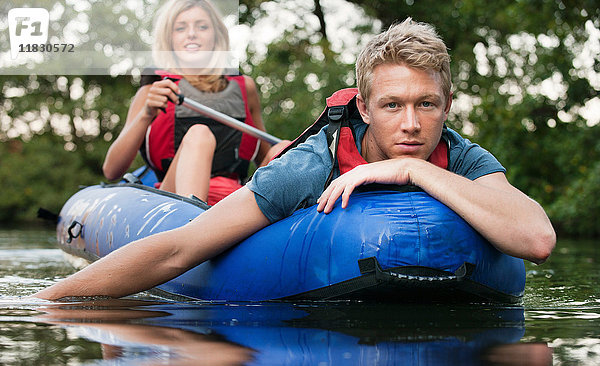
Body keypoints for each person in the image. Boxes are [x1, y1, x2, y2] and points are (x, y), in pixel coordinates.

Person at [35, 18, 556, 300]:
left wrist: (414, 170)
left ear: (447, 106)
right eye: (392, 105)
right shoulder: (310, 165)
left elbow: (536, 239)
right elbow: (178, 250)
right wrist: (46, 302)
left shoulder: (458, 153)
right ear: (363, 106)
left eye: (427, 105)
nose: (412, 125)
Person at [102, 0, 285, 205]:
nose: (191, 34)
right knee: (199, 134)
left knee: (284, 149)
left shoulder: (246, 87)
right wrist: (146, 114)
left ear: (216, 37)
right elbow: (111, 170)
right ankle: (192, 224)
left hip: (234, 198)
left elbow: (262, 157)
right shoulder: (152, 91)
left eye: (202, 26)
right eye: (181, 28)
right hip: (174, 196)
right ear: (169, 39)